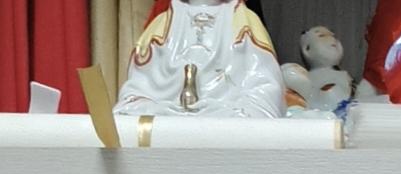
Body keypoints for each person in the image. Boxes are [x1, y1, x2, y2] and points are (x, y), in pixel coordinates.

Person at [115, 0, 286, 118]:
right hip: (167, 121)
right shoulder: (163, 23)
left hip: (226, 122)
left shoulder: (244, 22)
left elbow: (265, 89)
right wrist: (159, 109)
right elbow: (136, 91)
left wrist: (225, 110)